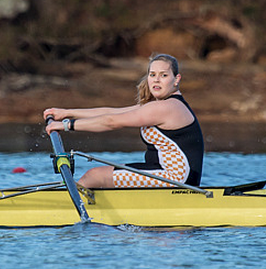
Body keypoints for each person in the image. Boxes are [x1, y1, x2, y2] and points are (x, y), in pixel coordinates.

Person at [44, 53, 203, 188]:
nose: (156, 80)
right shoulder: (158, 106)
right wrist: (66, 113)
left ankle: (66, 211)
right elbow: (110, 112)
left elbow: (111, 121)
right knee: (99, 175)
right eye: (152, 75)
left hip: (176, 179)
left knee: (95, 176)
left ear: (176, 79)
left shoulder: (168, 107)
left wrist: (66, 126)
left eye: (164, 75)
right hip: (162, 172)